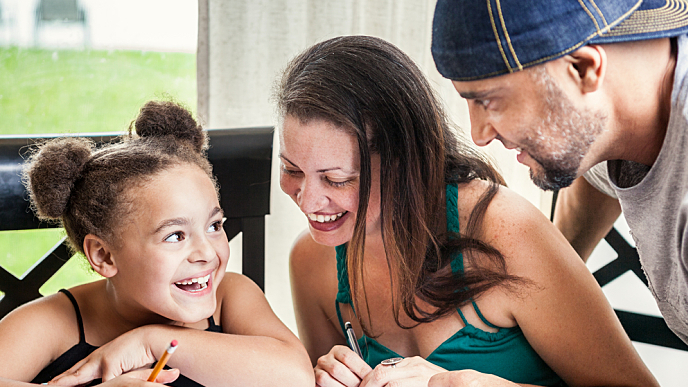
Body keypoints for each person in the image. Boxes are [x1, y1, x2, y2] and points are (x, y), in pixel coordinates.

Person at [278, 35, 658, 387]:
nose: (308, 202)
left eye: (337, 178)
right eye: (292, 169)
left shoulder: (507, 232)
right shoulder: (312, 263)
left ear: (405, 163)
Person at [0, 101, 313, 387]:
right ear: (104, 254)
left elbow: (296, 376)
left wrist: (150, 342)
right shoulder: (53, 323)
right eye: (175, 236)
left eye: (214, 225)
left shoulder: (231, 297)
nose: (207, 253)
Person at [431, 0, 688, 348]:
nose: (479, 134)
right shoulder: (614, 113)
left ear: (582, 68)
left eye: (489, 101)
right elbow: (592, 182)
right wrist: (549, 282)